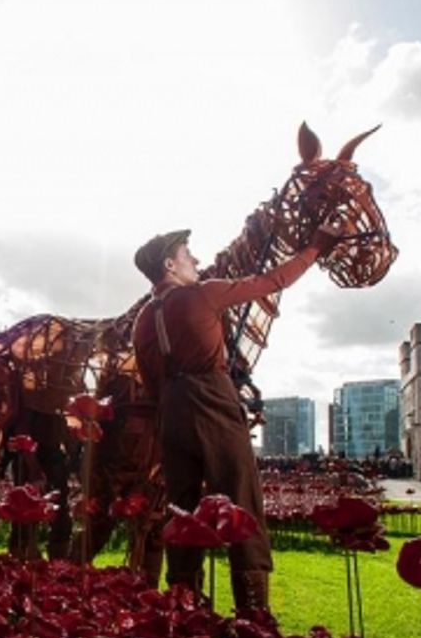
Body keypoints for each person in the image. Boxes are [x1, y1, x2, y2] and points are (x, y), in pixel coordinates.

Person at [131, 219, 345, 614]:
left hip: (171, 413)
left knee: (182, 508)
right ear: (169, 267)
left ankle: (183, 609)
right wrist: (316, 247)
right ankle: (252, 616)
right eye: (186, 255)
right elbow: (272, 282)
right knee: (241, 501)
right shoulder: (201, 295)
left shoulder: (143, 320)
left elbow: (149, 382)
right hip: (212, 400)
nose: (195, 259)